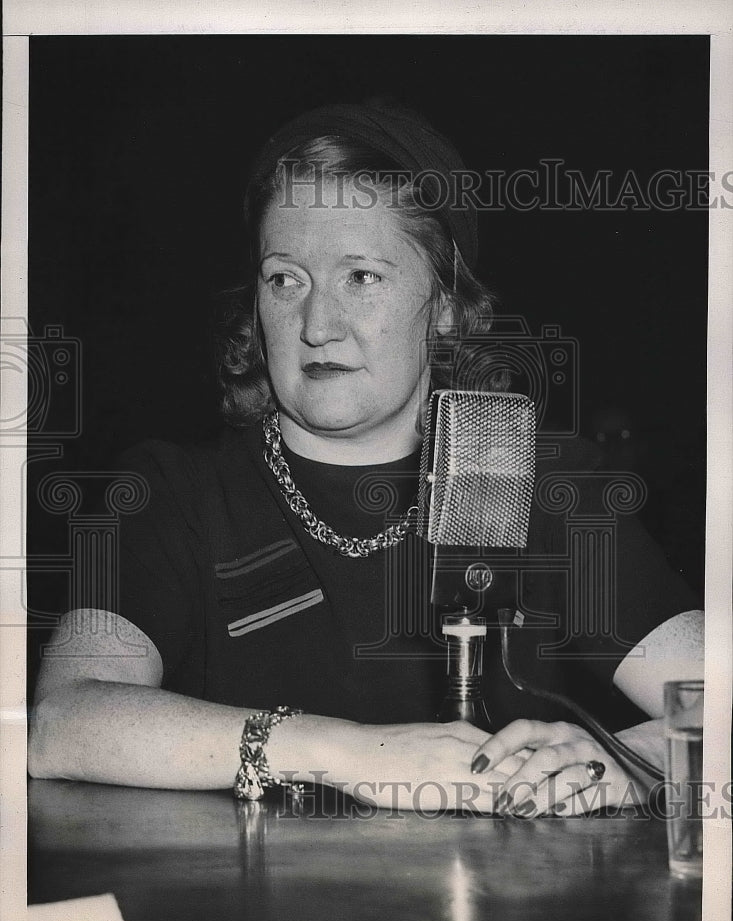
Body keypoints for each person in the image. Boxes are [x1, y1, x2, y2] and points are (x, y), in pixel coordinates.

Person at [28, 99, 703, 816]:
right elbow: (61, 724)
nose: (317, 324)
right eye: (284, 278)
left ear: (442, 305)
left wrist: (634, 762)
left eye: (362, 277)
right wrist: (342, 752)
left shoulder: (539, 486)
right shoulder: (176, 492)